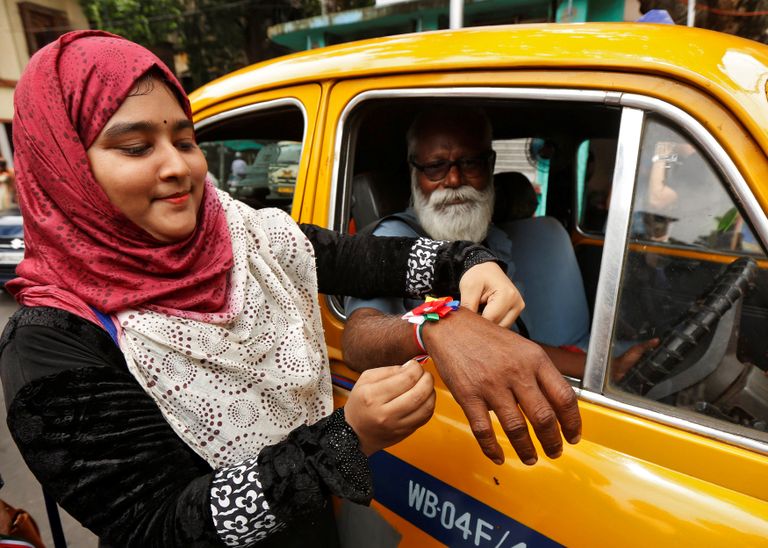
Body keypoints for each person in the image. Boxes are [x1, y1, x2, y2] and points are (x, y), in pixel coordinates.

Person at [0, 31, 580, 546]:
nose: (177, 166)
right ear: (65, 167)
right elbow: (157, 525)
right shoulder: (50, 345)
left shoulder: (244, 235)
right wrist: (346, 438)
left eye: (184, 139)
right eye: (135, 147)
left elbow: (369, 260)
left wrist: (468, 262)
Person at [344, 106, 657, 383]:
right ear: (415, 172)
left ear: (490, 165)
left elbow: (508, 341)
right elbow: (358, 342)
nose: (453, 180)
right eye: (435, 166)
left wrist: (607, 369)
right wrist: (432, 328)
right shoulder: (393, 239)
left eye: (470, 163)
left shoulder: (490, 238)